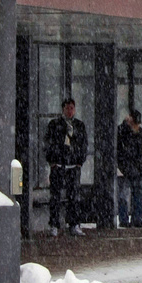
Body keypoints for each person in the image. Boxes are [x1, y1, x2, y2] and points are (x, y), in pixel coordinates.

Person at [44, 98, 89, 236]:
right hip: (58, 164)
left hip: (73, 165)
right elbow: (48, 143)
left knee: (74, 196)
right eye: (67, 108)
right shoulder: (54, 125)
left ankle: (74, 224)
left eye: (72, 108)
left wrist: (79, 161)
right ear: (63, 109)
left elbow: (84, 144)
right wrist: (52, 160)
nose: (70, 111)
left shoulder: (79, 126)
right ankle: (54, 225)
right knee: (55, 196)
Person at [117, 109, 142, 228]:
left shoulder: (141, 134)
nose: (136, 127)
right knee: (124, 195)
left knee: (138, 195)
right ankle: (124, 219)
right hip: (125, 169)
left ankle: (136, 219)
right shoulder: (122, 132)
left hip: (137, 169)